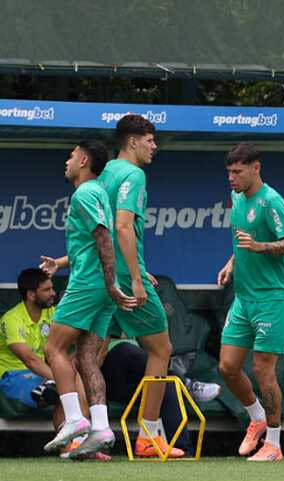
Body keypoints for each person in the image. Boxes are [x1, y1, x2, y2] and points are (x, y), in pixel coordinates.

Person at [39, 139, 134, 459]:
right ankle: (101, 427)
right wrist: (62, 263)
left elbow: (103, 237)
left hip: (90, 286)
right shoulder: (99, 195)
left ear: (83, 161)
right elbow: (95, 241)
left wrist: (108, 283)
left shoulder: (85, 193)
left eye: (70, 156)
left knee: (53, 347)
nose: (66, 161)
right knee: (86, 359)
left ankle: (75, 419)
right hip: (100, 286)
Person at [214, 142, 284, 462]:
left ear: (256, 168)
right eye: (229, 173)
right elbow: (243, 240)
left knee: (263, 369)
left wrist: (261, 247)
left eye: (238, 172)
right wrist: (232, 262)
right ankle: (256, 417)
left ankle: (275, 444)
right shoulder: (236, 198)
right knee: (227, 366)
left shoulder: (272, 202)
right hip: (244, 298)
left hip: (272, 297)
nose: (232, 178)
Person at [99, 114, 175, 456]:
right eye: (150, 139)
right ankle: (148, 436)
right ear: (132, 141)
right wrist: (135, 276)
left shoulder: (102, 175)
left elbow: (97, 231)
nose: (154, 146)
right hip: (126, 279)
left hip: (99, 276)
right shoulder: (133, 175)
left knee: (92, 355)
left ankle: (86, 432)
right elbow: (122, 227)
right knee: (161, 350)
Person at [0, 268, 89, 438]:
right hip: (13, 377)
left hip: (42, 375)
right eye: (47, 290)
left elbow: (77, 339)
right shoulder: (11, 319)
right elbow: (30, 360)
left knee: (69, 380)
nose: (53, 293)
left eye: (53, 288)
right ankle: (72, 443)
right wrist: (61, 378)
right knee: (64, 386)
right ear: (31, 295)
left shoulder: (53, 313)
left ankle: (75, 442)